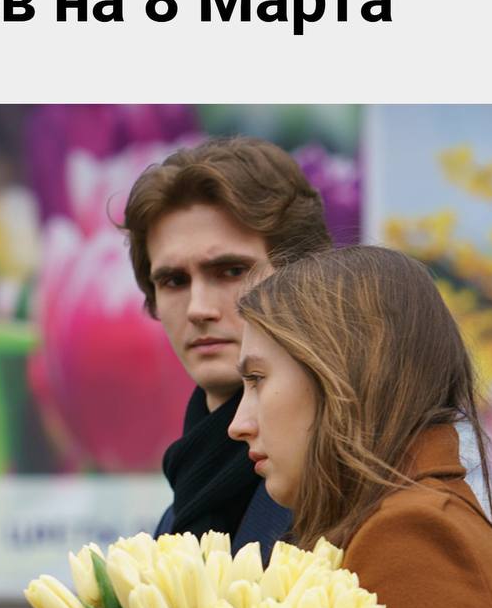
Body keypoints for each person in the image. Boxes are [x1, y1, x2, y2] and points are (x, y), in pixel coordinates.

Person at [229, 246, 492, 608]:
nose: (238, 425)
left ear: (342, 373)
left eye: (257, 380)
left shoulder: (410, 534)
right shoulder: (414, 518)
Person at [120, 136, 333, 559]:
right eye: (174, 281)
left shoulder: (353, 484)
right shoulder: (180, 505)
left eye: (231, 271)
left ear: (302, 278)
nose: (198, 308)